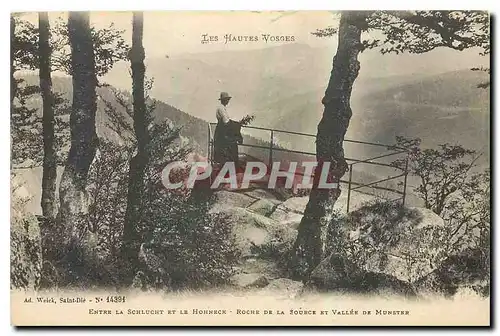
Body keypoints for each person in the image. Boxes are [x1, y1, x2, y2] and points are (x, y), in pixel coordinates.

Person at [213, 92, 240, 167]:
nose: (228, 101)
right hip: (222, 130)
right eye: (227, 99)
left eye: (228, 99)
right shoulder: (221, 108)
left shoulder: (222, 108)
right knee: (231, 144)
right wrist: (236, 124)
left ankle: (229, 162)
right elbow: (226, 121)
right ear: (224, 100)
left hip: (222, 129)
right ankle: (232, 164)